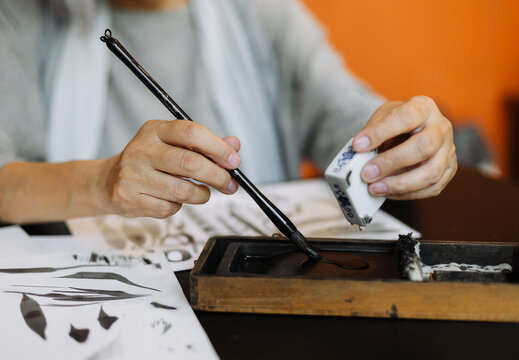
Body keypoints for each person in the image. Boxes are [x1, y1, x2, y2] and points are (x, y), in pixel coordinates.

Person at [0, 0, 457, 224]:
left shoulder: (259, 9)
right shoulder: (25, 15)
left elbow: (341, 112)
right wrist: (101, 181)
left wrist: (402, 142)